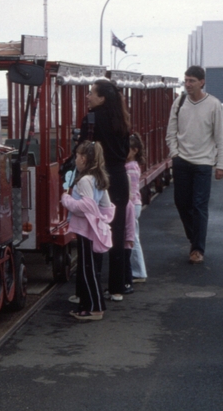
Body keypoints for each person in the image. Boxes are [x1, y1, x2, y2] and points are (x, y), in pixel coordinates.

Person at [165, 65, 223, 264]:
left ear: (202, 82)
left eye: (192, 81)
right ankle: (195, 236)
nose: (188, 84)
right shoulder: (180, 102)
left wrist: (221, 164)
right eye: (186, 80)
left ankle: (198, 248)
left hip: (203, 163)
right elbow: (171, 132)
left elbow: (220, 137)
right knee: (182, 203)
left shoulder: (213, 105)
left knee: (199, 205)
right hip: (182, 160)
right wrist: (175, 154)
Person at [79, 79, 131, 300]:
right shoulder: (123, 121)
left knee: (93, 233)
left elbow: (82, 151)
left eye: (92, 93)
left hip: (97, 179)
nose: (88, 96)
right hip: (120, 178)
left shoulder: (91, 119)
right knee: (117, 232)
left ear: (102, 98)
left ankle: (90, 291)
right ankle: (117, 287)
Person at [61, 141, 114, 321]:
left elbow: (86, 206)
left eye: (77, 156)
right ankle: (87, 305)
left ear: (84, 159)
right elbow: (107, 207)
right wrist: (102, 220)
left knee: (87, 269)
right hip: (96, 230)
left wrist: (66, 200)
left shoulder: (84, 180)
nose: (75, 159)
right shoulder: (99, 178)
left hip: (86, 231)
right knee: (91, 268)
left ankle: (95, 308)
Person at [126, 134, 147, 284]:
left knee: (132, 238)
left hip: (132, 205)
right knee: (133, 237)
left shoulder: (131, 168)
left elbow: (131, 192)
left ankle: (139, 272)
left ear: (134, 150)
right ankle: (137, 270)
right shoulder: (133, 166)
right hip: (135, 204)